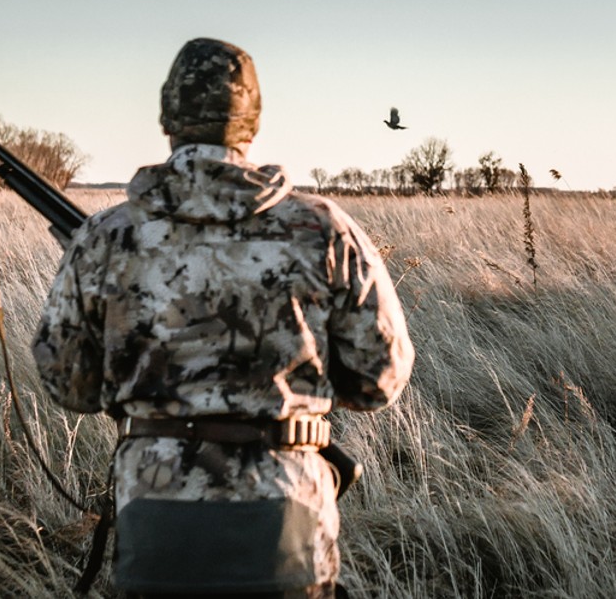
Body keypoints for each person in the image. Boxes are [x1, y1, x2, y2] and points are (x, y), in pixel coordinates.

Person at [31, 38, 414, 598]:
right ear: (251, 121)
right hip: (289, 521)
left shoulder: (106, 235)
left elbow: (67, 381)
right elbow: (381, 378)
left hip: (153, 516)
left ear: (168, 117)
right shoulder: (324, 229)